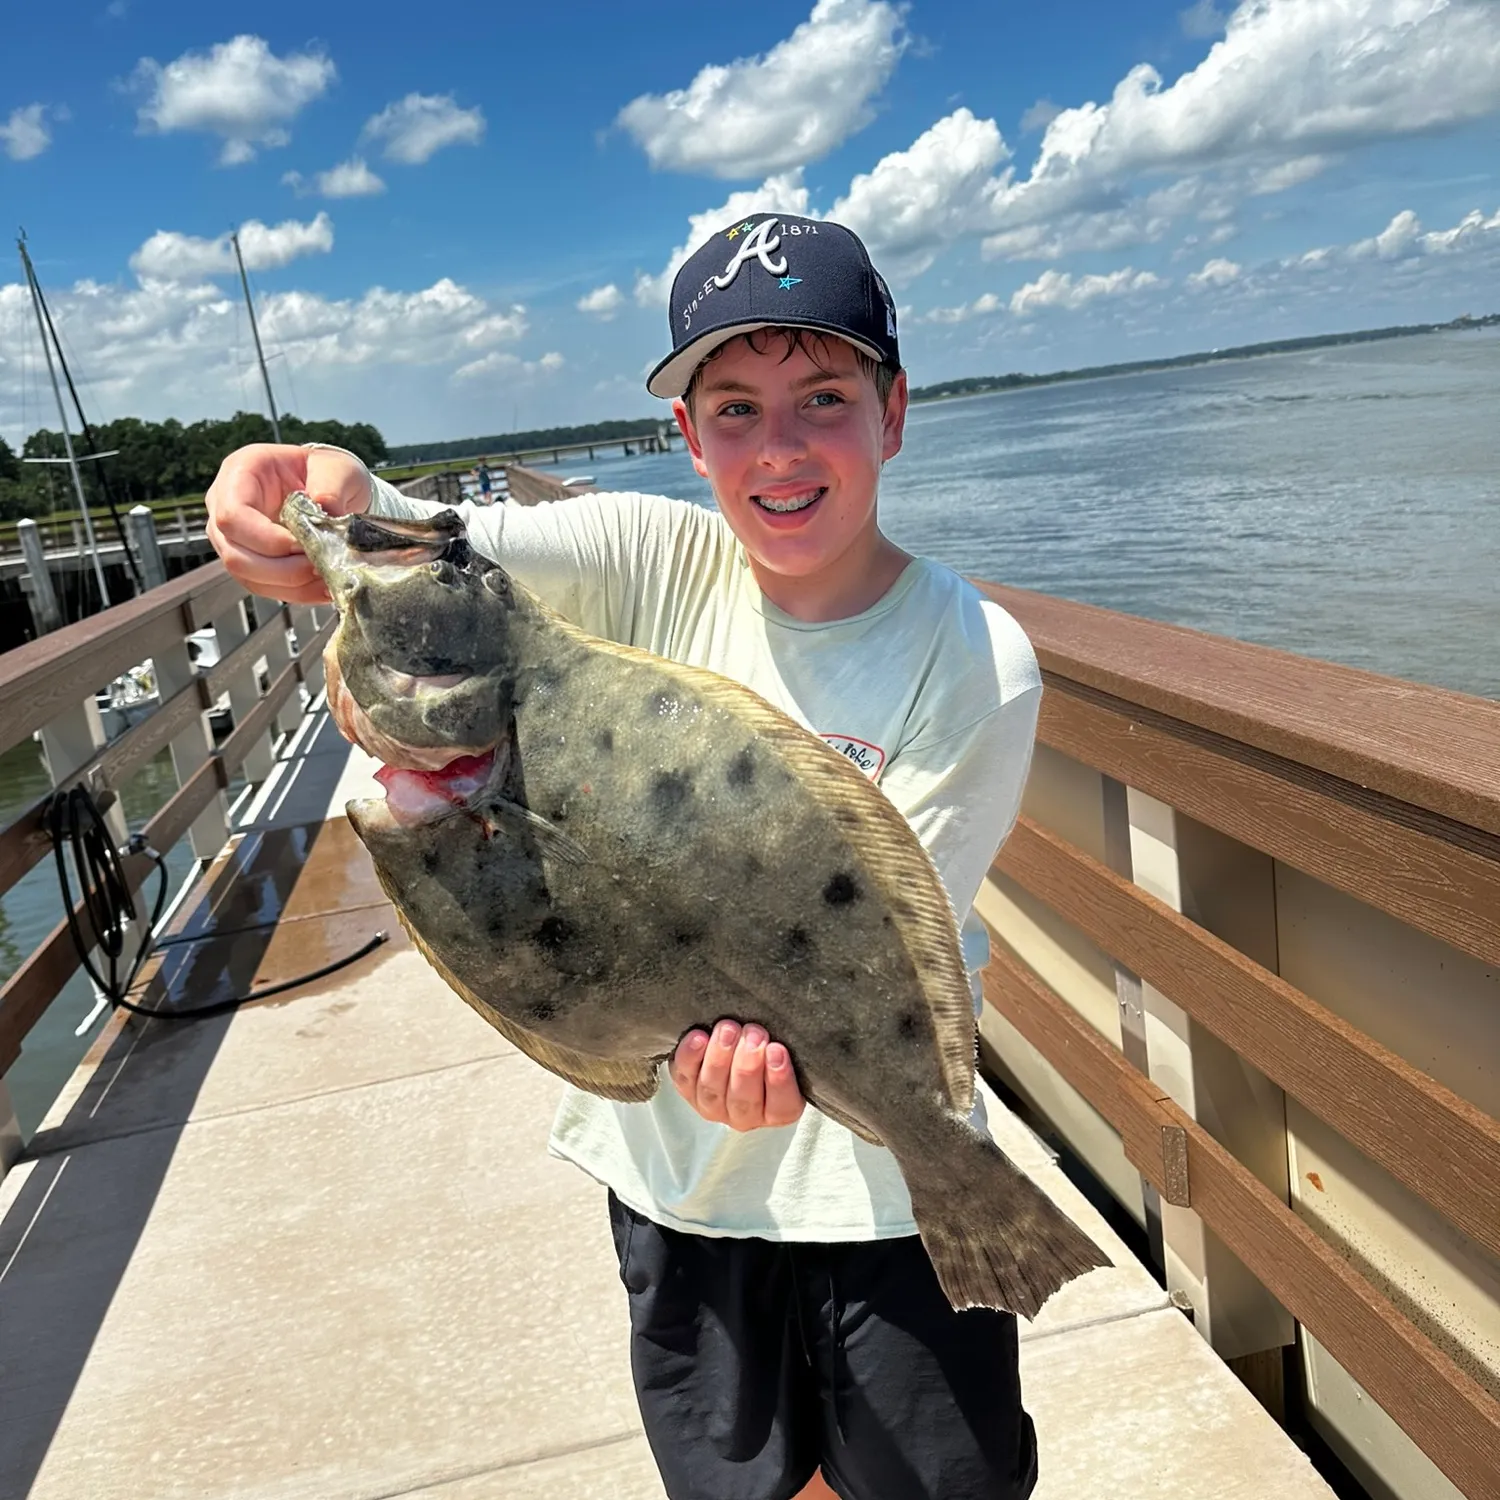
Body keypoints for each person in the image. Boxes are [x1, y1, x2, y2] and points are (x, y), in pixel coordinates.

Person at [204, 214, 1046, 1500]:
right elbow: (421, 537)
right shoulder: (649, 556)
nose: (779, 447)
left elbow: (891, 921)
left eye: (824, 397)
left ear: (893, 411)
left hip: (884, 1190)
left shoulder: (976, 657)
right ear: (686, 438)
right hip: (674, 1178)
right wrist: (312, 481)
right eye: (734, 407)